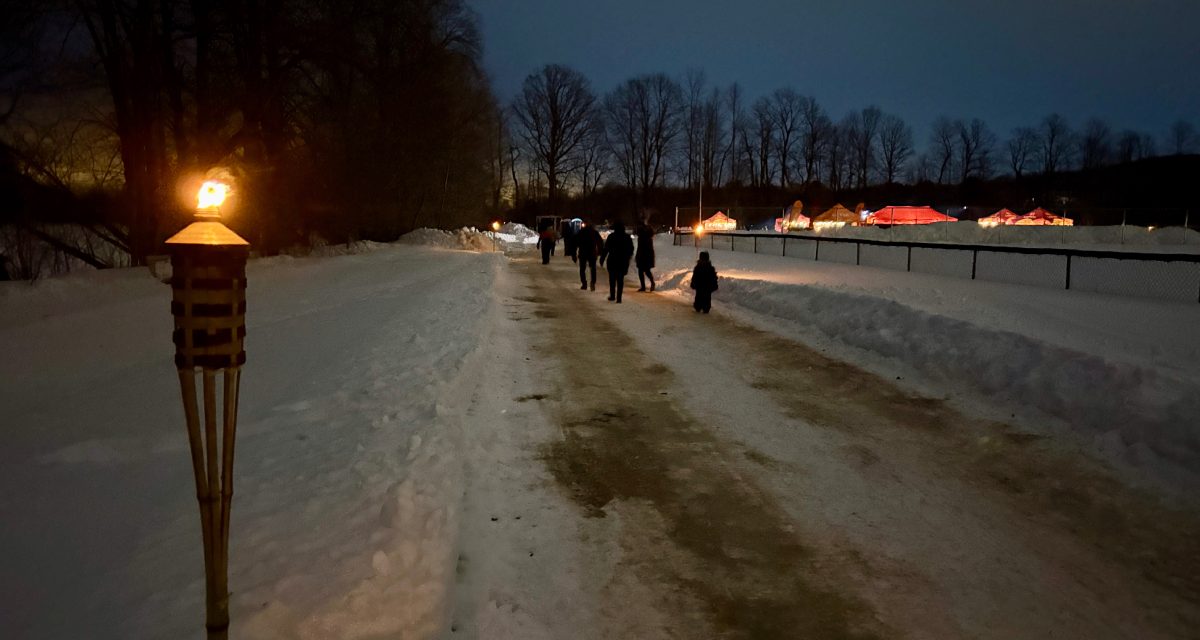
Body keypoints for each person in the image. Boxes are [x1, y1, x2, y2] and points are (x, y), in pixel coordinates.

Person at [600, 221, 634, 303]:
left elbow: (606, 248)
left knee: (612, 279)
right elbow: (631, 249)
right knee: (620, 280)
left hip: (612, 260)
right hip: (623, 261)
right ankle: (619, 298)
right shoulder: (627, 237)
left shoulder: (611, 236)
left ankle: (612, 295)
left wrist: (602, 259)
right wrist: (628, 257)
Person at [574, 221, 602, 291]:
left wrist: (574, 254)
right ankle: (593, 282)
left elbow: (575, 242)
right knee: (593, 268)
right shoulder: (594, 232)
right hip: (592, 252)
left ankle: (584, 283)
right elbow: (600, 242)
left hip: (583, 252)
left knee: (582, 269)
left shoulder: (581, 232)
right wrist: (599, 251)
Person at [635, 220, 656, 292]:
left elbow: (641, 248)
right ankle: (646, 285)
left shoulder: (643, 237)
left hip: (644, 256)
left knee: (644, 271)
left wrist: (638, 256)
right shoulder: (647, 237)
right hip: (646, 256)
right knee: (644, 271)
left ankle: (648, 285)